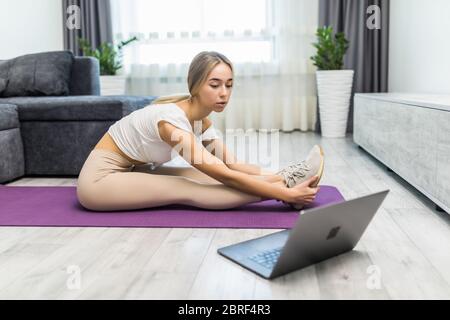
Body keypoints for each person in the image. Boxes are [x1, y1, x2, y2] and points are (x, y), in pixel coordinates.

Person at [76, 51, 324, 212]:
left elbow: (232, 166)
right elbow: (228, 177)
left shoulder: (200, 120)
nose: (224, 93)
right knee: (185, 186)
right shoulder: (171, 124)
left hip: (133, 168)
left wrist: (278, 175)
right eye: (214, 85)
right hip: (98, 182)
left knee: (200, 174)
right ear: (195, 86)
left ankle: (290, 176)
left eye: (229, 85)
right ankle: (287, 190)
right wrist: (281, 192)